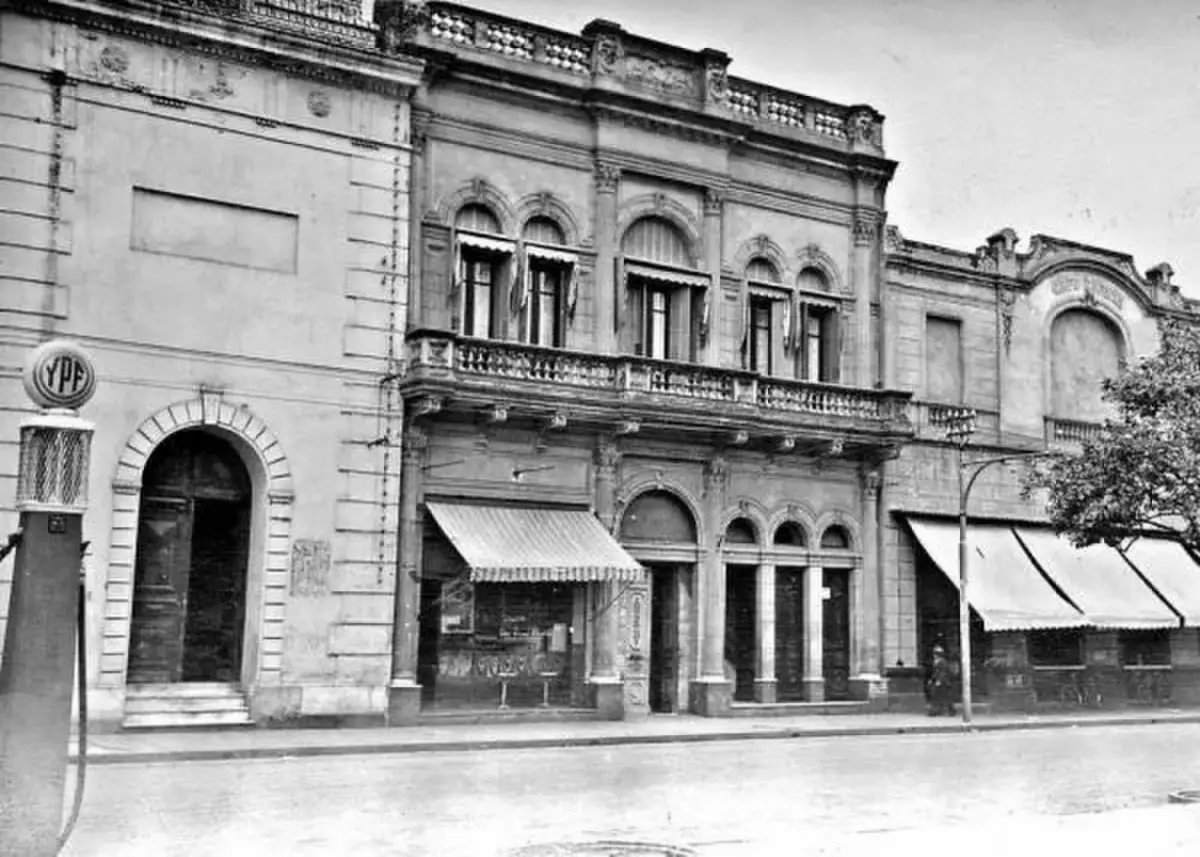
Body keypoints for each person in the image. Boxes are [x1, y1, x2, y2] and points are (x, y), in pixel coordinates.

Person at [926, 643, 956, 717]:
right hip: (941, 681)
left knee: (938, 697)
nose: (934, 655)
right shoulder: (938, 661)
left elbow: (942, 672)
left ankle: (934, 712)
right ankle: (942, 711)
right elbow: (936, 672)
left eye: (935, 653)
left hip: (943, 682)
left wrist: (939, 680)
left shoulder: (941, 661)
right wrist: (932, 679)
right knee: (942, 697)